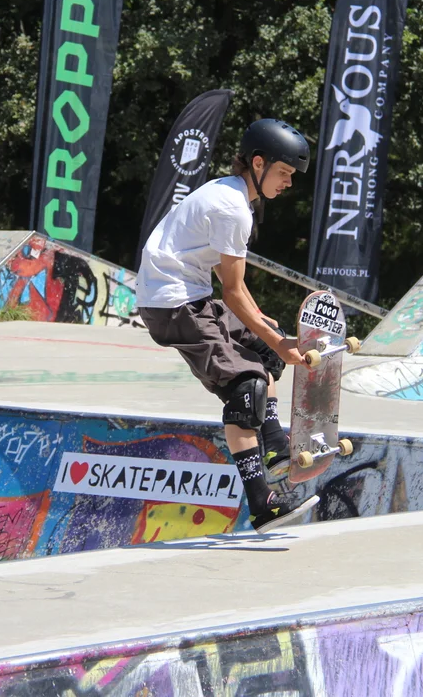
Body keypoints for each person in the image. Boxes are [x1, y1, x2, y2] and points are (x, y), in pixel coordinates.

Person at [135, 118, 317, 533]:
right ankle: (262, 505)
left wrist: (266, 330)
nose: (289, 183)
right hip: (173, 304)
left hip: (189, 295)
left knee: (264, 353)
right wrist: (279, 337)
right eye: (285, 173)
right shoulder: (232, 208)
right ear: (258, 162)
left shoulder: (232, 194)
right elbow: (232, 291)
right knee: (247, 386)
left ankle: (274, 446)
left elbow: (233, 284)